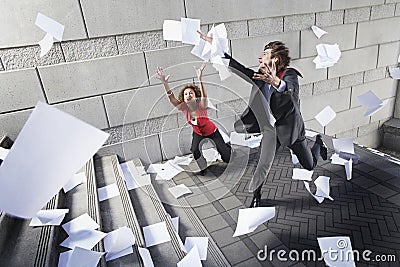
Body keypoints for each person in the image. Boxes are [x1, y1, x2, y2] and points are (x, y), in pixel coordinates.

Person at [198, 32, 327, 207]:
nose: (260, 56)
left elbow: (291, 90)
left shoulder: (289, 75)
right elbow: (236, 67)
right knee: (263, 163)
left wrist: (276, 82)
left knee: (309, 165)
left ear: (275, 59)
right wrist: (216, 47)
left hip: (291, 129)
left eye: (265, 54)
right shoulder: (259, 78)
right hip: (271, 130)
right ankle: (256, 195)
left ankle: (319, 142)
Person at [156, 63, 232, 175]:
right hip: (198, 133)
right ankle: (203, 167)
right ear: (184, 98)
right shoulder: (183, 107)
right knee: (195, 150)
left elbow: (204, 96)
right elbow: (172, 99)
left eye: (191, 93)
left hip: (212, 132)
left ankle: (228, 149)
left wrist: (200, 79)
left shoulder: (201, 105)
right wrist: (165, 84)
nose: (188, 95)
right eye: (186, 94)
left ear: (196, 96)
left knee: (227, 158)